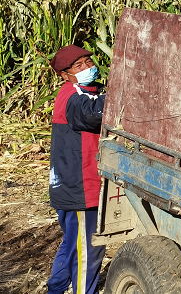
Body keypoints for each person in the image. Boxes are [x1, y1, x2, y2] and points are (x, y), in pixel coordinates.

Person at [46, 45, 107, 294]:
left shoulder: (88, 91)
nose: (87, 68)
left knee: (73, 244)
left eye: (88, 62)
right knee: (88, 250)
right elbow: (92, 114)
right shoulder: (71, 96)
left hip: (71, 187)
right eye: (79, 66)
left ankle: (56, 289)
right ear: (65, 74)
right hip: (80, 188)